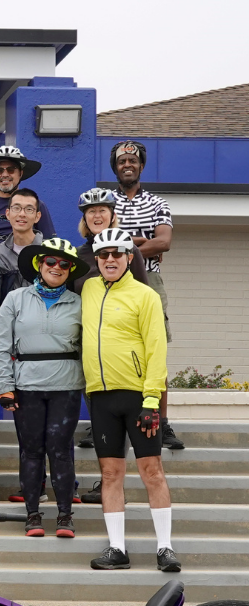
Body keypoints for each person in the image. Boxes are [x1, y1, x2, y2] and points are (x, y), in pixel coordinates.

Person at [81, 228, 180, 572]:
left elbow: (157, 349)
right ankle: (117, 548)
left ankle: (165, 548)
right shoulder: (89, 289)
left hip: (139, 397)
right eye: (104, 254)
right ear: (97, 259)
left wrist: (153, 399)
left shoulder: (145, 295)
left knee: (151, 470)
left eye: (117, 254)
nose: (110, 259)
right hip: (101, 397)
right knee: (111, 474)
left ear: (128, 257)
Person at [0, 239, 88, 538]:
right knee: (31, 450)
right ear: (39, 264)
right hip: (26, 386)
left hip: (67, 386)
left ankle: (64, 516)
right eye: (50, 262)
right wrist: (5, 387)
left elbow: (90, 346)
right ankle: (32, 515)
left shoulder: (80, 303)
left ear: (70, 269)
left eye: (64, 264)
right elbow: (0, 344)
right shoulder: (16, 299)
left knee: (60, 451)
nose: (56, 268)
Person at [72, 188, 148, 493]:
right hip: (90, 353)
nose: (97, 215)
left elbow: (142, 297)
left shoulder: (132, 252)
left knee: (122, 425)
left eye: (103, 210)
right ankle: (107, 481)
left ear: (113, 215)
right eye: (91, 212)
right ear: (85, 219)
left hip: (124, 355)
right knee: (101, 423)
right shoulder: (78, 256)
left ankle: (113, 484)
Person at [110, 140, 183, 451]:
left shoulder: (157, 202)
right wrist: (142, 240)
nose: (128, 164)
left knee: (156, 351)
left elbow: (164, 242)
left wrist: (123, 245)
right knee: (107, 347)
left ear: (141, 165)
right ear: (115, 167)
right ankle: (102, 420)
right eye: (122, 160)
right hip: (111, 280)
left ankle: (162, 424)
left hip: (149, 280)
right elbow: (99, 241)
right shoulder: (105, 201)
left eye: (133, 160)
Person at [0, 145, 56, 256]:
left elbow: (50, 244)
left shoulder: (36, 205)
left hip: (25, 270)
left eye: (11, 170)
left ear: (20, 174)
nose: (5, 174)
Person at [0, 188, 47, 303]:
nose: (22, 214)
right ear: (8, 214)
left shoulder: (47, 250)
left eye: (29, 209)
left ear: (37, 216)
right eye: (16, 208)